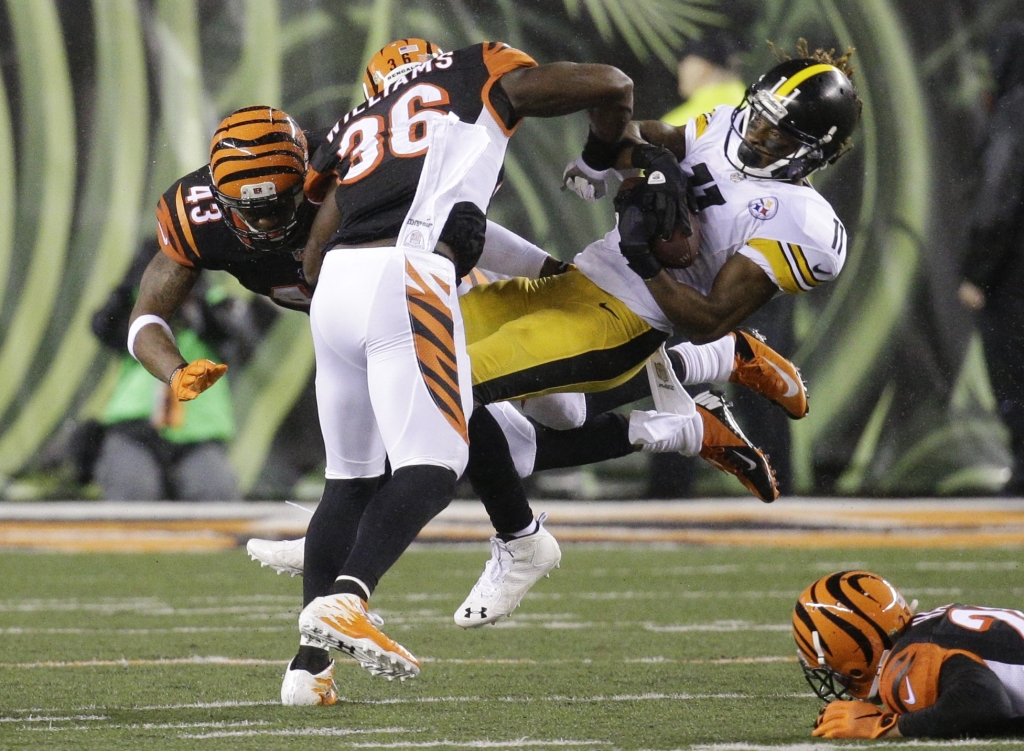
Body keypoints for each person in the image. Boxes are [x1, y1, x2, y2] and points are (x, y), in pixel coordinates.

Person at [90, 238, 241, 500]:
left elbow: (235, 337)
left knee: (215, 496)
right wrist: (128, 290)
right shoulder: (139, 308)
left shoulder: (212, 303)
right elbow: (103, 329)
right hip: (136, 426)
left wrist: (195, 295)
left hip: (199, 431)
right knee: (133, 494)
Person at [794, 570, 1024, 738]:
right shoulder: (931, 624)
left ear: (853, 659)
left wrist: (889, 726)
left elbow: (983, 702)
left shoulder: (911, 656)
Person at [957, 23, 1024, 495]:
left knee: (1013, 367)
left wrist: (977, 270)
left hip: (1013, 274)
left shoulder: (1015, 112)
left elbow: (1000, 195)